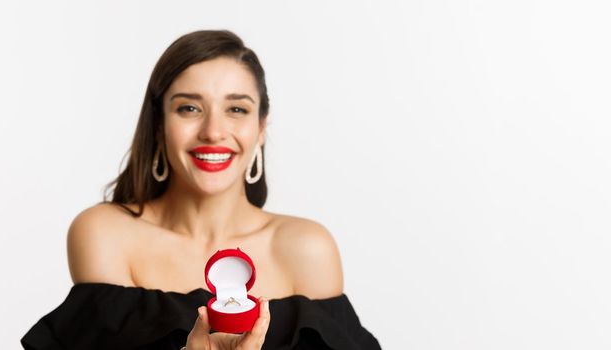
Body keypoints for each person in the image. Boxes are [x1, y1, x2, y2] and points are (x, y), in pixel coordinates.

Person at [21, 29, 382, 349]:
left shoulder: (307, 248)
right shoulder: (105, 234)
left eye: (237, 109)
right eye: (190, 108)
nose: (213, 131)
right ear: (159, 124)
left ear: (261, 127)